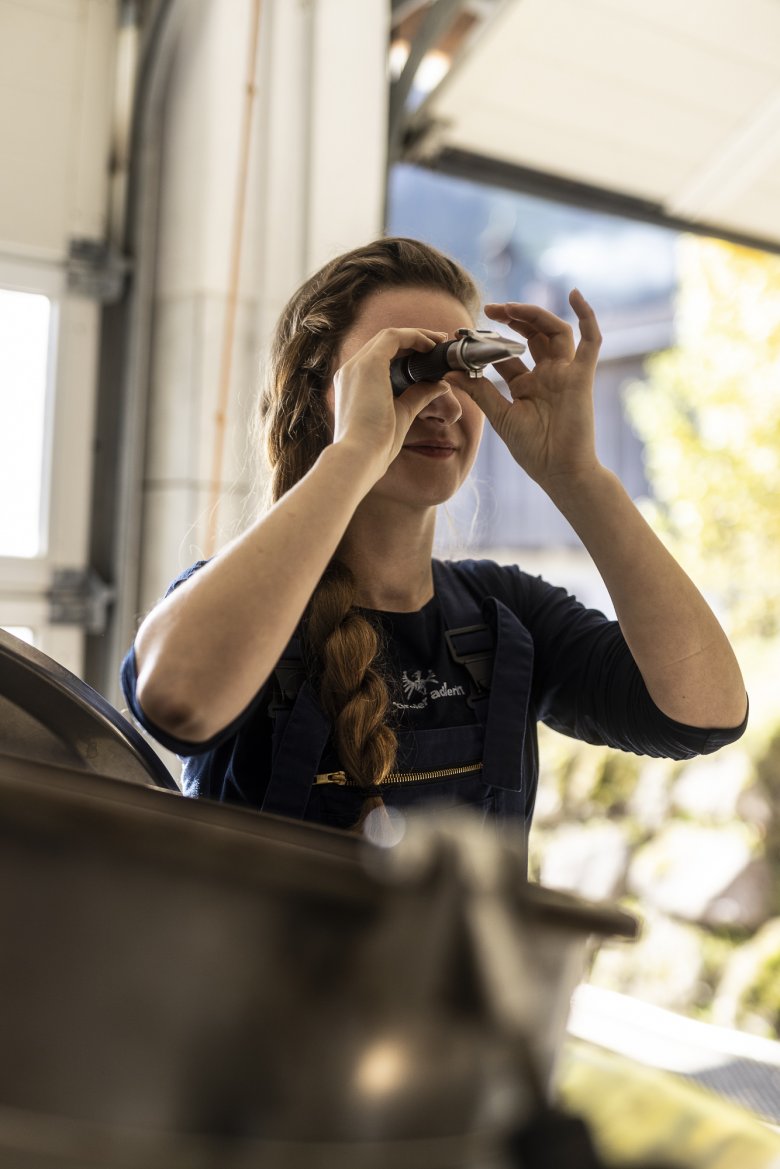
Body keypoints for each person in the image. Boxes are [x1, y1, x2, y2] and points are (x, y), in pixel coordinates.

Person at [121, 237, 748, 834]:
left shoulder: (503, 616)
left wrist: (577, 476)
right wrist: (357, 447)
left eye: (462, 366)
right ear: (322, 397)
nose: (443, 401)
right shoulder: (243, 607)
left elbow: (706, 713)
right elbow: (177, 700)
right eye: (406, 369)